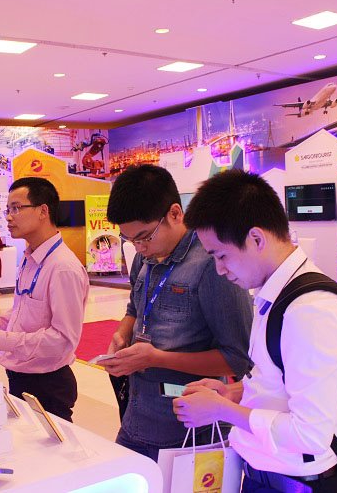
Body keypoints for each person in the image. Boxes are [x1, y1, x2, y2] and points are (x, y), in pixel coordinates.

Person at [172, 169, 337, 492]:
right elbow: (277, 383)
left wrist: (222, 410)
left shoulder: (309, 311)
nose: (219, 269)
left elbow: (312, 434)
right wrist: (233, 393)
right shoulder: (276, 292)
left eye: (221, 255)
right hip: (270, 474)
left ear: (256, 238)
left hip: (295, 483)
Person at [97, 165, 253, 462]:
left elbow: (237, 358)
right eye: (129, 240)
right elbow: (134, 307)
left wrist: (156, 358)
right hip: (136, 414)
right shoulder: (143, 258)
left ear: (175, 213)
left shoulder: (212, 265)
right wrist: (122, 333)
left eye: (144, 237)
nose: (139, 248)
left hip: (189, 428)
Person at [0, 177, 89, 422]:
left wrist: (3, 339)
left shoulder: (62, 267)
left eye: (16, 208)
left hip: (47, 383)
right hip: (21, 375)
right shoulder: (29, 258)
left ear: (43, 211)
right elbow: (22, 312)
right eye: (7, 210)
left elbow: (63, 340)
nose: (8, 217)